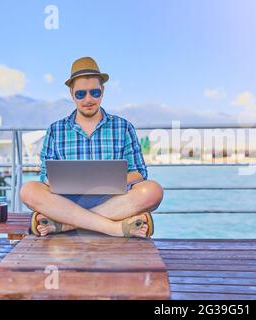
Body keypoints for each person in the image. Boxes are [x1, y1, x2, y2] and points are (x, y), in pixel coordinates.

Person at [20, 57, 163, 238]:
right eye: (81, 94)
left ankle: (65, 225)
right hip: (67, 201)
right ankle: (114, 227)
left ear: (102, 92)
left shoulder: (123, 126)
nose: (88, 99)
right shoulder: (55, 130)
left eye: (94, 92)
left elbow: (139, 172)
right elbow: (44, 176)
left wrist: (106, 182)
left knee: (152, 191)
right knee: (29, 191)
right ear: (72, 94)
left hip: (112, 200)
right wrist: (58, 182)